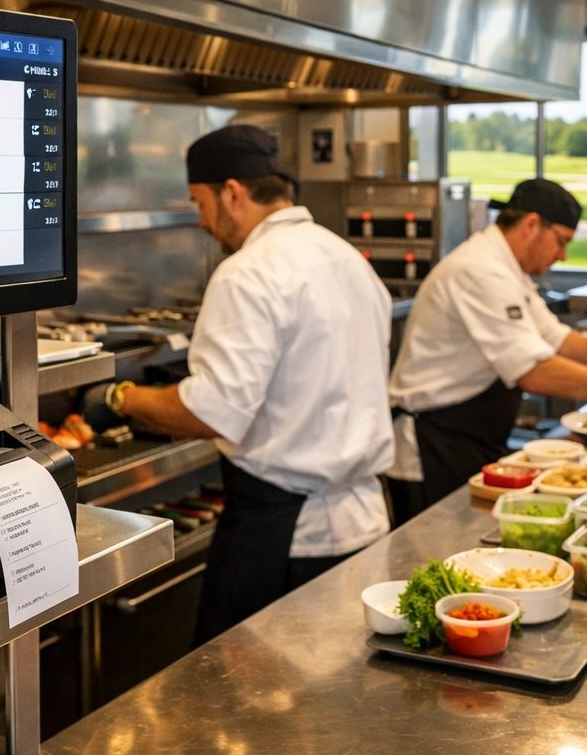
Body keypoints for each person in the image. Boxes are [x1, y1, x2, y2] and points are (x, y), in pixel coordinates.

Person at [85, 125, 394, 644]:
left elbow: (212, 412)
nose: (202, 221)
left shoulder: (247, 271)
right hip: (364, 524)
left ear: (232, 192)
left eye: (200, 203)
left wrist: (121, 397)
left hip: (282, 538)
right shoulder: (346, 257)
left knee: (242, 707)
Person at [386, 177, 587, 515]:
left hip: (468, 437)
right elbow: (534, 373)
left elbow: (557, 338)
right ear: (532, 225)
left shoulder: (508, 269)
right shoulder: (480, 272)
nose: (563, 256)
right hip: (434, 445)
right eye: (561, 242)